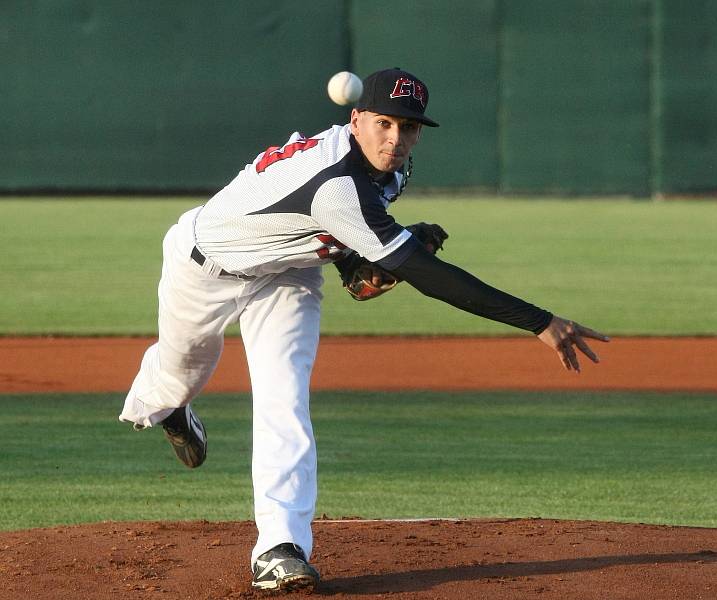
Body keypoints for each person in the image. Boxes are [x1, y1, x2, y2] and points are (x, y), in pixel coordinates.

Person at [119, 67, 609, 595]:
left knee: (284, 397)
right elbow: (429, 277)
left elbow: (342, 244)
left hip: (289, 274)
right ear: (357, 120)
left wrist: (364, 261)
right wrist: (538, 320)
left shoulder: (391, 170)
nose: (396, 139)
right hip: (206, 265)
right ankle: (166, 406)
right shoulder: (337, 183)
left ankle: (280, 548)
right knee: (180, 375)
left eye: (409, 128)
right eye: (384, 124)